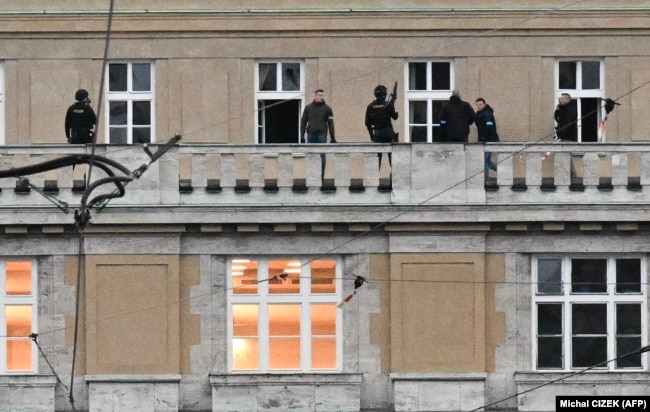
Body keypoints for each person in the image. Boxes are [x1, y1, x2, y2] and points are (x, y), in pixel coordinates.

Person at [300, 89, 336, 179]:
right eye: (320, 95)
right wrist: (302, 136)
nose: (321, 97)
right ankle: (311, 176)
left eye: (323, 96)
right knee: (311, 155)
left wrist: (332, 137)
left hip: (321, 135)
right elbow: (303, 122)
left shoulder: (327, 109)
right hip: (311, 134)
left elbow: (331, 123)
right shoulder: (308, 108)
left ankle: (321, 177)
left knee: (322, 156)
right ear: (315, 96)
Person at [365, 84, 398, 169]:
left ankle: (374, 180)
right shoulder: (388, 105)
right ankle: (393, 180)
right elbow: (395, 117)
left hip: (377, 133)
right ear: (384, 95)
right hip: (388, 133)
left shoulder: (370, 106)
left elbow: (367, 123)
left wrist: (371, 135)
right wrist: (394, 105)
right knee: (393, 159)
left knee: (376, 160)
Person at [475, 97, 499, 184]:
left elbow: (489, 126)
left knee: (484, 161)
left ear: (484, 104)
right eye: (477, 105)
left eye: (480, 104)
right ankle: (502, 171)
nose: (478, 106)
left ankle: (486, 180)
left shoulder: (487, 113)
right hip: (485, 140)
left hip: (488, 141)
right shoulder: (480, 113)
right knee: (487, 161)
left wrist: (484, 137)